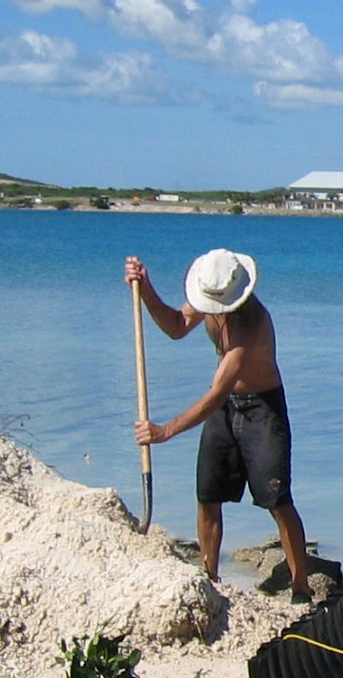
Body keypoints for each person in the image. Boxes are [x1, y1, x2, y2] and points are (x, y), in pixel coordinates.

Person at [126, 248, 314, 600]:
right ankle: (210, 577)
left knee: (277, 500)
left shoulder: (252, 323)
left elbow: (216, 392)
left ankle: (301, 586)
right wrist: (146, 288)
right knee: (208, 495)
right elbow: (177, 326)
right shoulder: (211, 297)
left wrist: (165, 431)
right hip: (226, 408)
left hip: (263, 411)